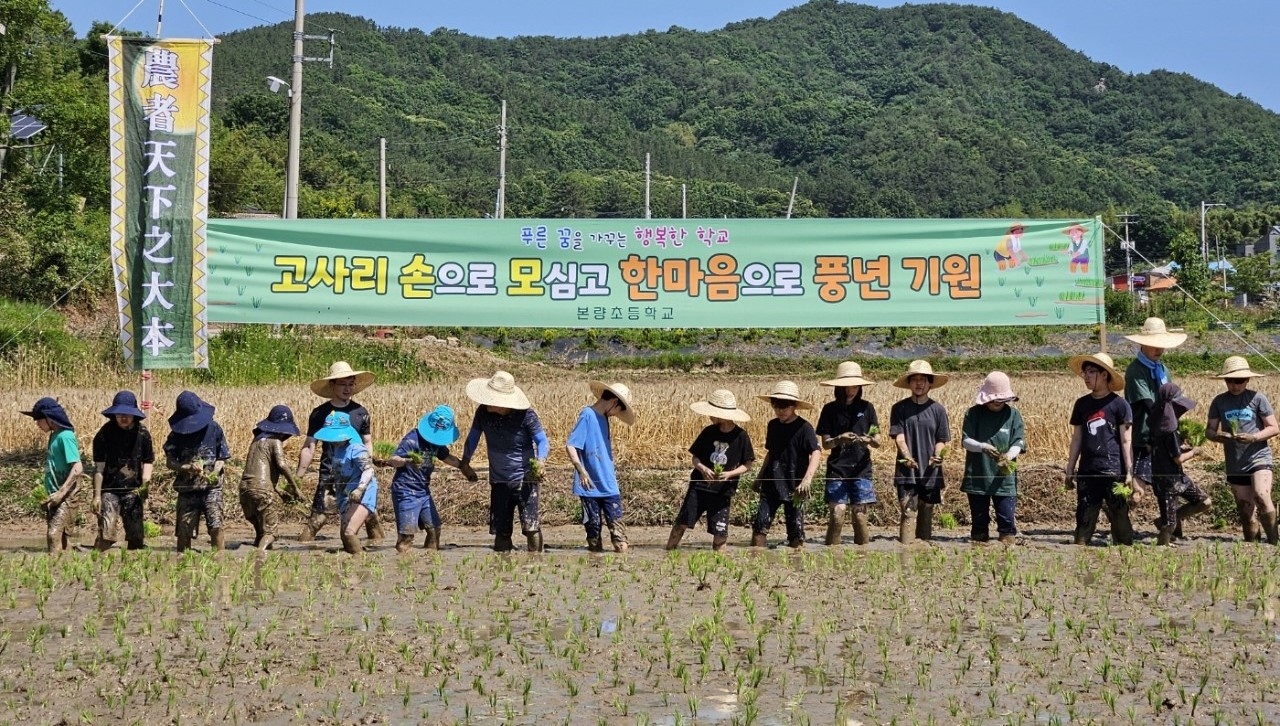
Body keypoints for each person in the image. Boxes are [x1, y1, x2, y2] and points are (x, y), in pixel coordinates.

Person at [461, 371, 550, 552]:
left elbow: (542, 441)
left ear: (503, 403)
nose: (487, 402)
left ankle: (536, 561)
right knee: (501, 531)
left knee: (530, 526)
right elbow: (473, 438)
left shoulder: (526, 415)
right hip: (499, 480)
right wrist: (465, 462)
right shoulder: (483, 412)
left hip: (525, 479)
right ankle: (501, 564)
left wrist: (541, 461)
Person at [296, 362, 384, 544]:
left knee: (370, 516)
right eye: (343, 384)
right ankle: (300, 547)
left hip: (355, 473)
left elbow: (367, 441)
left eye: (351, 384)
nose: (348, 388)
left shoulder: (360, 413)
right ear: (332, 385)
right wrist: (298, 477)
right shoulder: (320, 414)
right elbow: (309, 445)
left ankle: (378, 546)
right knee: (318, 518)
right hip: (330, 472)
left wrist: (367, 470)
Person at [665, 389, 755, 552]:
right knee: (682, 522)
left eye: (712, 413)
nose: (710, 416)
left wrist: (729, 474)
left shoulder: (741, 436)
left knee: (720, 531)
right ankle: (669, 550)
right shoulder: (708, 432)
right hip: (699, 487)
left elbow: (747, 465)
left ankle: (720, 561)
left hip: (723, 491)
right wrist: (703, 469)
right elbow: (695, 458)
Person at [1064, 353, 1136, 546]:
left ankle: (1125, 552)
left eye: (1091, 372)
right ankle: (1081, 546)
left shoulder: (1120, 405)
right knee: (1084, 516)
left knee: (1119, 515)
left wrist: (1129, 472)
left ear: (1105, 375)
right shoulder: (1082, 404)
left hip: (1113, 470)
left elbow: (1126, 440)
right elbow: (1077, 437)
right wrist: (1070, 468)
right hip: (1088, 470)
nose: (1086, 377)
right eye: (1084, 373)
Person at [1207, 356, 1278, 544]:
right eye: (1229, 381)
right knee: (1246, 510)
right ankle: (1251, 547)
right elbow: (1210, 431)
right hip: (1235, 461)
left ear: (1247, 380)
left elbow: (1273, 427)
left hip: (1258, 456)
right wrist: (1219, 436)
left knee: (1262, 494)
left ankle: (1274, 543)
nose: (1234, 385)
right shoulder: (1219, 401)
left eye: (1239, 381)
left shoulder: (1257, 398)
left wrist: (1253, 437)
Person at [1123, 317, 1187, 512]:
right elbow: (1149, 404)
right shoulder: (1136, 370)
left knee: (1169, 486)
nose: (1159, 349)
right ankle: (1121, 520)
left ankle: (1171, 528)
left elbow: (1171, 397)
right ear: (1143, 344)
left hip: (1163, 434)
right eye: (1154, 345)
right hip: (1144, 435)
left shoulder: (1162, 369)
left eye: (1161, 345)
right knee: (1138, 490)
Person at [390, 405, 471, 553]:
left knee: (434, 529)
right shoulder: (412, 439)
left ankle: (429, 561)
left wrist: (464, 467)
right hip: (405, 490)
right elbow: (394, 459)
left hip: (423, 491)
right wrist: (407, 461)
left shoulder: (436, 443)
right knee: (407, 536)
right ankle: (403, 565)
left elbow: (446, 457)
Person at [816, 362, 880, 546]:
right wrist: (839, 439)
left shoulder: (867, 408)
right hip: (837, 468)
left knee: (860, 516)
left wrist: (869, 440)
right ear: (838, 387)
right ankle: (831, 552)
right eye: (846, 386)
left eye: (854, 386)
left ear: (860, 387)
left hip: (861, 468)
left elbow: (878, 440)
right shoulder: (829, 410)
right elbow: (826, 444)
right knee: (837, 514)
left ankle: (863, 553)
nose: (850, 390)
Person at [751, 381, 821, 549]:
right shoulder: (773, 425)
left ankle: (796, 560)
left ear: (794, 406)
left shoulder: (805, 428)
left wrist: (807, 480)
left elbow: (817, 453)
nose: (780, 411)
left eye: (784, 406)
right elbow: (771, 453)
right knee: (760, 524)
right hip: (772, 481)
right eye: (776, 406)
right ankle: (756, 557)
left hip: (795, 485)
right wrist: (759, 478)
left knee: (796, 529)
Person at [567, 381, 635, 553]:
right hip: (589, 486)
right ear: (614, 402)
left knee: (619, 534)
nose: (616, 415)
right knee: (593, 531)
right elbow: (571, 445)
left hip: (609, 484)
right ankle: (596, 566)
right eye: (619, 410)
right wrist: (581, 471)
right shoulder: (588, 415)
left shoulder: (604, 417)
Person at [889, 360, 952, 544]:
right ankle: (906, 551)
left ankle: (923, 557)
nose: (919, 383)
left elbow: (941, 440)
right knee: (908, 512)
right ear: (909, 383)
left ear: (930, 383)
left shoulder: (938, 410)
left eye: (923, 379)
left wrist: (938, 456)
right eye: (914, 379)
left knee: (926, 512)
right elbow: (899, 437)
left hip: (931, 471)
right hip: (906, 470)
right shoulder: (899, 409)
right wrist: (906, 456)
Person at [960, 372, 1026, 544]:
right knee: (979, 524)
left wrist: (1008, 457)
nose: (997, 403)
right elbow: (966, 441)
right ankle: (979, 554)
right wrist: (983, 447)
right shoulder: (973, 414)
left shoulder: (1013, 416)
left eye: (1001, 400)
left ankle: (1007, 552)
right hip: (978, 477)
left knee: (1007, 522)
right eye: (994, 399)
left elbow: (1018, 441)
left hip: (1004, 479)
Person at [164, 390, 231, 552]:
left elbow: (221, 457)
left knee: (216, 525)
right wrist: (185, 467)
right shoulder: (176, 435)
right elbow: (170, 461)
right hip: (187, 488)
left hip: (212, 488)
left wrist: (214, 473)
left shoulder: (214, 428)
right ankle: (182, 560)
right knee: (184, 530)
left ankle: (219, 558)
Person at [1148, 383, 1212, 545]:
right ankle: (1162, 545)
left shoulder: (1156, 424)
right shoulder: (1169, 429)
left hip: (1173, 476)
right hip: (1168, 480)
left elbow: (1159, 448)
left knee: (1204, 501)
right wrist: (1196, 451)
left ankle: (1168, 519)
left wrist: (1181, 447)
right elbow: (1178, 459)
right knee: (1169, 524)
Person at [91, 391, 154, 551]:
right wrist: (97, 496)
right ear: (114, 414)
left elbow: (148, 461)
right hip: (109, 489)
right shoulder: (104, 434)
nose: (123, 418)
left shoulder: (143, 434)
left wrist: (146, 484)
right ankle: (98, 557)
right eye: (120, 414)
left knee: (136, 536)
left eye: (127, 414)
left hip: (134, 489)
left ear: (134, 415)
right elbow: (99, 468)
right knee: (107, 531)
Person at [22, 398, 83, 553]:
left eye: (38, 420)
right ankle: (65, 564)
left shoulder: (66, 436)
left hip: (67, 494)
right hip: (54, 493)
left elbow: (77, 468)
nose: (37, 424)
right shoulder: (54, 436)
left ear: (49, 418)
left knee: (53, 533)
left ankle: (52, 565)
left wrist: (61, 493)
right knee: (61, 537)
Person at [240, 404, 303, 551]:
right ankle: (259, 556)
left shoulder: (255, 442)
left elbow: (257, 477)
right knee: (271, 533)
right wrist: (295, 488)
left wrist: (280, 492)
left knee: (261, 532)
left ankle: (258, 550)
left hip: (244, 489)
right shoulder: (275, 441)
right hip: (262, 490)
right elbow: (281, 465)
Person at [312, 411, 377, 555]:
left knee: (349, 532)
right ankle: (351, 556)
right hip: (346, 493)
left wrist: (360, 489)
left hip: (363, 493)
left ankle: (359, 562)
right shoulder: (337, 449)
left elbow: (369, 471)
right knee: (343, 535)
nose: (333, 440)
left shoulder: (357, 449)